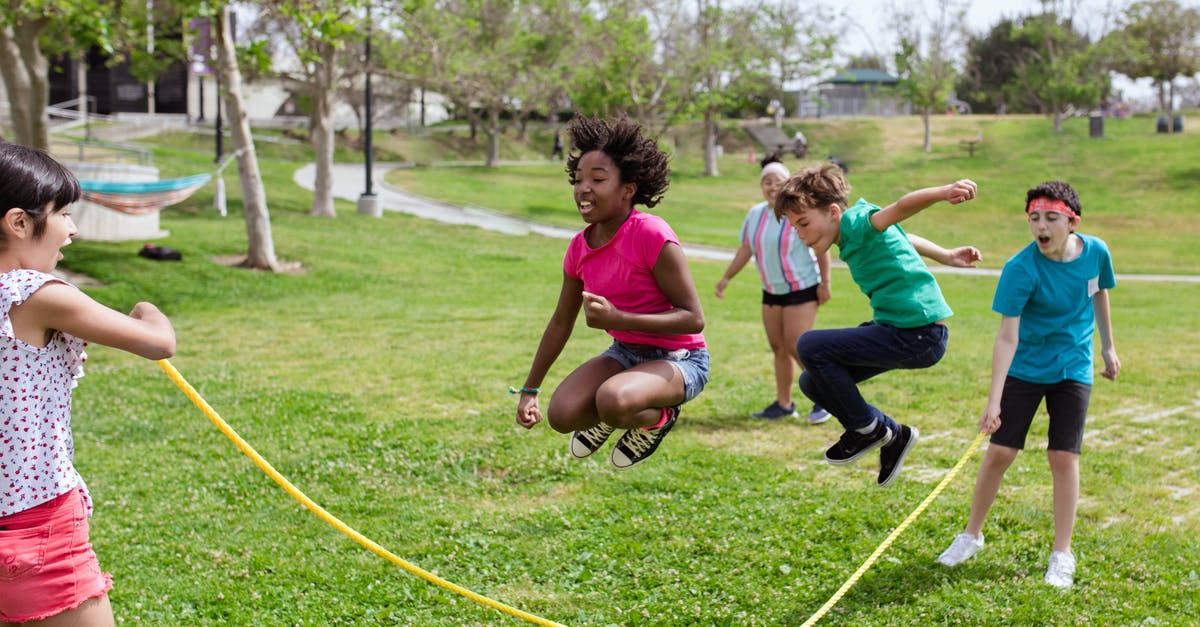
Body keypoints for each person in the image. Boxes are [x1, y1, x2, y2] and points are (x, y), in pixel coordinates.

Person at [0, 142, 176, 624]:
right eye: (62, 212)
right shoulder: (33, 293)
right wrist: (147, 310)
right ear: (19, 222)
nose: (72, 228)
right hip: (36, 528)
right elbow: (158, 342)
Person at [936, 181, 1119, 589]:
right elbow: (1006, 337)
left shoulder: (1096, 253)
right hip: (1026, 366)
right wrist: (994, 401)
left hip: (1072, 366)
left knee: (1063, 457)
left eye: (1051, 218)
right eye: (1034, 218)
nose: (1041, 226)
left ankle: (1062, 553)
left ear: (1072, 222)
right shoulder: (1020, 269)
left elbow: (1099, 293)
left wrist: (1108, 347)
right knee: (1000, 451)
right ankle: (971, 535)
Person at [514, 115, 708, 470]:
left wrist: (620, 318)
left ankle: (658, 419)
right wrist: (530, 389)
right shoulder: (579, 248)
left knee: (613, 400)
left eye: (598, 180)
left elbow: (693, 319)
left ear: (627, 189)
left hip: (681, 359)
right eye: (578, 180)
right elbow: (560, 322)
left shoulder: (651, 234)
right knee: (562, 414)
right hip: (625, 354)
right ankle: (611, 415)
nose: (583, 188)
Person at [774, 164, 981, 487]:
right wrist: (945, 255)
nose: (800, 234)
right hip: (900, 331)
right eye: (794, 227)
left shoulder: (858, 222)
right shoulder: (852, 235)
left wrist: (944, 192)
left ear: (832, 212)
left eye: (803, 223)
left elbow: (900, 208)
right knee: (812, 383)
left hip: (919, 333)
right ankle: (893, 435)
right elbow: (902, 235)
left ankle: (868, 429)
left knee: (809, 345)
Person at [715, 155, 832, 424]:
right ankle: (784, 404)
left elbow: (820, 248)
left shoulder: (798, 211)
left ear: (788, 183)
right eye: (766, 181)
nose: (772, 186)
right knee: (778, 346)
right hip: (771, 290)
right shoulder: (755, 214)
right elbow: (746, 248)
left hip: (802, 287)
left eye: (777, 181)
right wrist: (726, 277)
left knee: (796, 345)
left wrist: (825, 283)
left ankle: (826, 398)